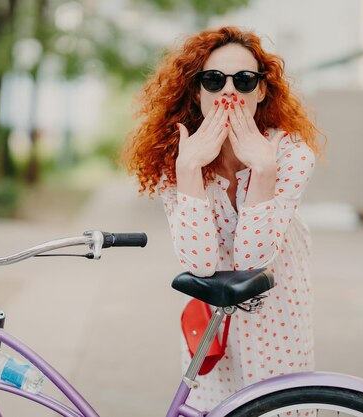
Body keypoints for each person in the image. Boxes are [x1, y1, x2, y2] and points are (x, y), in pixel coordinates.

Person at [124, 26, 322, 410]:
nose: (229, 91)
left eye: (244, 80)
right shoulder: (178, 159)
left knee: (279, 407)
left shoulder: (292, 154)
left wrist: (263, 170)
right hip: (214, 315)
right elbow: (199, 263)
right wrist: (189, 169)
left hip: (278, 311)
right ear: (197, 92)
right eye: (214, 80)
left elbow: (252, 262)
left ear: (262, 90)